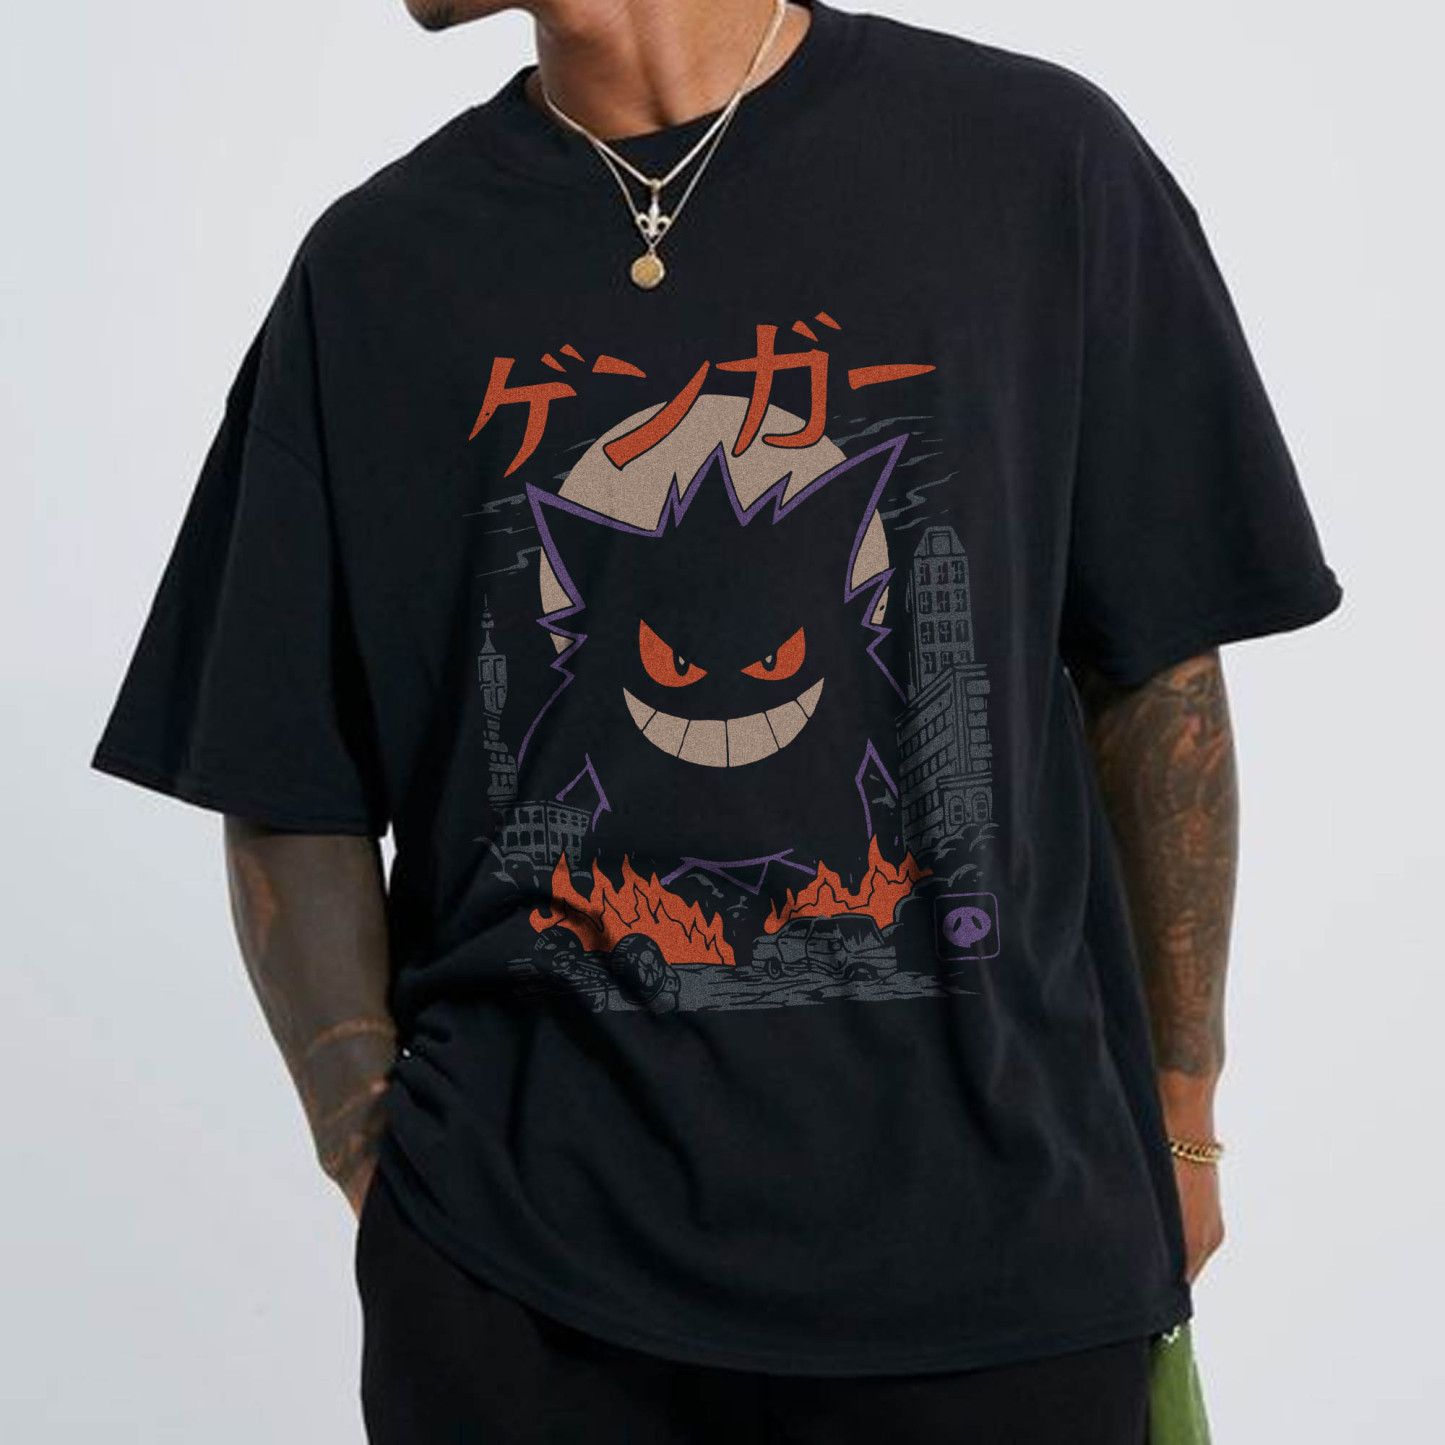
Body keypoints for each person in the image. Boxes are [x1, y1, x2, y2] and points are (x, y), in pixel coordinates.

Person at [90, 1, 1344, 1439]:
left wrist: (1181, 1119)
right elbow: (285, 767)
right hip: (523, 1299)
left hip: (1004, 1270)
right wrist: (382, 1173)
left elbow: (1158, 673)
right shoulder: (378, 267)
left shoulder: (1033, 162)